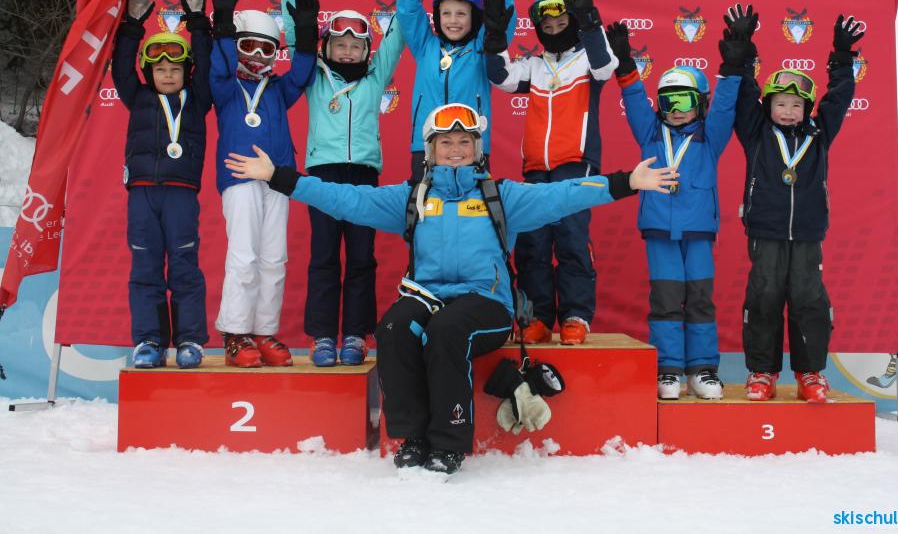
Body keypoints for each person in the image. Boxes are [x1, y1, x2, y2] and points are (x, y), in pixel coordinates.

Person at [223, 103, 677, 474]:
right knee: (393, 329)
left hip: (487, 304)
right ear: (431, 149)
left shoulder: (501, 197)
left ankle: (448, 441)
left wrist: (626, 182)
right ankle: (412, 437)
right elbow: (348, 199)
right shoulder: (414, 197)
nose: (455, 150)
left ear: (477, 148)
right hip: (427, 297)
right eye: (446, 142)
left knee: (447, 331)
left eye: (464, 142)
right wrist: (280, 177)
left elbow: (564, 194)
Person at [269, 0, 405, 367]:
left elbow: (398, 33)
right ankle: (323, 336)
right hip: (322, 176)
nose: (347, 51)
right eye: (340, 44)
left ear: (367, 50)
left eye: (356, 45)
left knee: (362, 259)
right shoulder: (314, 76)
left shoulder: (376, 77)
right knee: (325, 257)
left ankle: (357, 335)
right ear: (327, 45)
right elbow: (298, 39)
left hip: (363, 176)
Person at [730, 5, 864, 403]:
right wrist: (742, 45)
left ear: (807, 109)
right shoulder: (755, 132)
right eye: (780, 103)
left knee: (809, 300)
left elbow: (839, 98)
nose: (788, 112)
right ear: (768, 105)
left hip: (807, 233)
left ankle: (810, 374)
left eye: (796, 105)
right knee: (764, 298)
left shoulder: (819, 134)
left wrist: (842, 57)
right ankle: (762, 373)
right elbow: (744, 94)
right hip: (766, 231)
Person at [605, 16, 742, 400]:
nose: (676, 109)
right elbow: (635, 101)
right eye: (668, 101)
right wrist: (626, 66)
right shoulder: (650, 133)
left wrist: (732, 69)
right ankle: (668, 370)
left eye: (684, 101)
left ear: (701, 103)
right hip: (660, 232)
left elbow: (725, 109)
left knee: (699, 299)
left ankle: (702, 370)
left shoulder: (709, 137)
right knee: (665, 301)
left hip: (698, 232)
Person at [484, 0, 617, 345]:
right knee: (533, 243)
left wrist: (588, 18)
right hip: (536, 169)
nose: (555, 30)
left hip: (575, 163)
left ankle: (576, 315)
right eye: (548, 25)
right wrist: (495, 37)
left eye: (562, 23)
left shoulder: (587, 61)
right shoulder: (535, 65)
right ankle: (538, 317)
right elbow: (500, 77)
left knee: (572, 239)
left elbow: (606, 65)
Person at [209, 0, 319, 367]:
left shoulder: (277, 90)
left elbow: (303, 74)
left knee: (274, 258)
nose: (257, 55)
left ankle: (263, 330)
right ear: (236, 47)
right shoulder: (225, 88)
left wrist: (305, 34)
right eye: (248, 46)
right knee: (244, 255)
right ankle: (235, 333)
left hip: (277, 177)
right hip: (240, 176)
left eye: (266, 48)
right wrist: (224, 23)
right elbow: (220, 64)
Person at [111, 0, 213, 369]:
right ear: (148, 72)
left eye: (175, 69)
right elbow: (122, 67)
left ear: (186, 72)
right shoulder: (137, 97)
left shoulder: (197, 99)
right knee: (145, 267)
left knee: (185, 266)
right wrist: (133, 24)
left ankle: (190, 341)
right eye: (160, 69)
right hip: (141, 194)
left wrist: (197, 20)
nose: (168, 75)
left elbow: (206, 64)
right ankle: (149, 341)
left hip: (181, 193)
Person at [397, 0, 515, 179]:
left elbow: (502, 15)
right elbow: (407, 9)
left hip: (471, 144)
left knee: (472, 205)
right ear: (437, 16)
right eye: (446, 13)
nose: (453, 20)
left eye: (461, 13)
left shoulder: (482, 47)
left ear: (474, 17)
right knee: (425, 204)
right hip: (426, 145)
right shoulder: (425, 45)